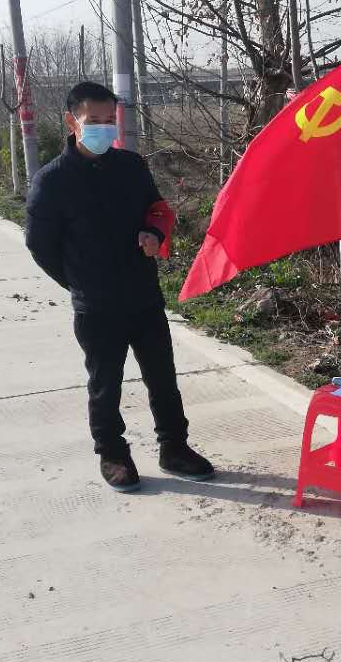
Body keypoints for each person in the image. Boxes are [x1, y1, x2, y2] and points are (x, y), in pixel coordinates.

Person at [25, 81, 215, 492]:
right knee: (105, 383)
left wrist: (153, 231)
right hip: (96, 306)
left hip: (144, 297)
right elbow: (40, 247)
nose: (104, 128)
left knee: (163, 377)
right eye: (93, 121)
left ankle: (174, 447)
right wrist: (79, 281)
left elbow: (157, 207)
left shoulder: (131, 166)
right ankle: (112, 453)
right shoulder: (52, 182)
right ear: (71, 122)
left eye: (110, 121)